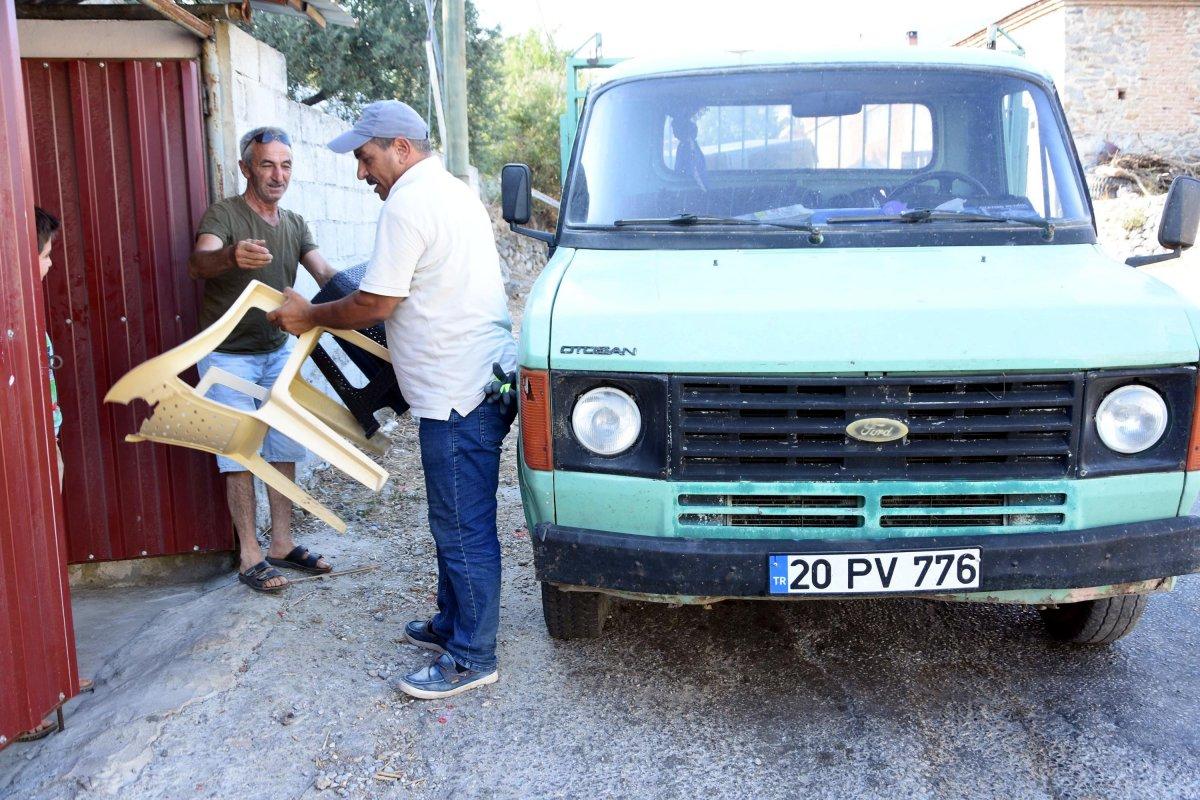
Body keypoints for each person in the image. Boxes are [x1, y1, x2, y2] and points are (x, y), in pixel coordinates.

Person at [267, 101, 518, 700]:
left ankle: (472, 656)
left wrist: (308, 316)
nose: (361, 172)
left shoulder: (409, 202)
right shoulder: (449, 190)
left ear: (401, 148)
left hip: (457, 392)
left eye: (366, 157)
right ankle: (454, 622)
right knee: (452, 519)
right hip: (477, 379)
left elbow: (376, 302)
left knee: (462, 526)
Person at [188, 126, 339, 593]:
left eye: (286, 164)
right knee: (238, 453)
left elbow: (325, 273)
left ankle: (282, 544)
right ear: (245, 168)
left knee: (285, 447)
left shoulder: (294, 223)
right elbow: (199, 262)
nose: (278, 175)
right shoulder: (224, 215)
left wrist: (375, 295)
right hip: (227, 356)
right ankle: (250, 554)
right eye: (267, 164)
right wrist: (232, 255)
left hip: (277, 351)